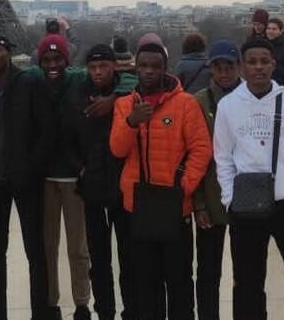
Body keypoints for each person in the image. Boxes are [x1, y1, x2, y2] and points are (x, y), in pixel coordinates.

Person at [0, 34, 139, 320]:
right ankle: (50, 303)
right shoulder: (30, 77)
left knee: (77, 247)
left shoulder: (74, 79)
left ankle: (79, 303)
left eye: (58, 59)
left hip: (67, 175)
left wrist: (113, 98)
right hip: (42, 176)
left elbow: (123, 79)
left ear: (67, 61)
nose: (53, 64)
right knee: (46, 248)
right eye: (47, 59)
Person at [214, 37, 284, 319]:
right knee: (248, 286)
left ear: (273, 64)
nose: (258, 67)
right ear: (242, 66)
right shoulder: (229, 105)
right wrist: (229, 198)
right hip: (246, 206)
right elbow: (224, 157)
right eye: (252, 62)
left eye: (264, 61)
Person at [110, 34, 212, 320]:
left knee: (179, 281)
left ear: (165, 69)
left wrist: (183, 187)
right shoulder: (124, 105)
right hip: (138, 206)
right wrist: (133, 121)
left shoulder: (185, 104)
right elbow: (117, 150)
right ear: (136, 67)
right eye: (143, 65)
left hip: (174, 205)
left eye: (155, 66)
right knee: (146, 283)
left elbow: (201, 149)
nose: (149, 71)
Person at [0, 33, 54, 320]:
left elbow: (47, 132)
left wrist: (31, 169)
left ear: (8, 52)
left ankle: (39, 312)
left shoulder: (28, 83)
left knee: (34, 251)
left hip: (23, 179)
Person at [61, 44, 137, 320]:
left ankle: (131, 310)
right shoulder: (76, 98)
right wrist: (78, 167)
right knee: (99, 258)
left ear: (114, 66)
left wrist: (115, 100)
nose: (97, 72)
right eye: (92, 68)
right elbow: (65, 139)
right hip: (92, 185)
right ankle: (104, 310)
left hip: (123, 186)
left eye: (103, 66)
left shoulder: (128, 95)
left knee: (129, 256)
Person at [191, 40, 241, 320]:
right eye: (219, 68)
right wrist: (198, 203)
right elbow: (195, 154)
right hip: (210, 197)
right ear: (211, 69)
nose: (224, 73)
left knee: (246, 270)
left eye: (229, 68)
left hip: (246, 197)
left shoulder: (251, 96)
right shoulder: (198, 101)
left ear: (238, 67)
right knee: (208, 271)